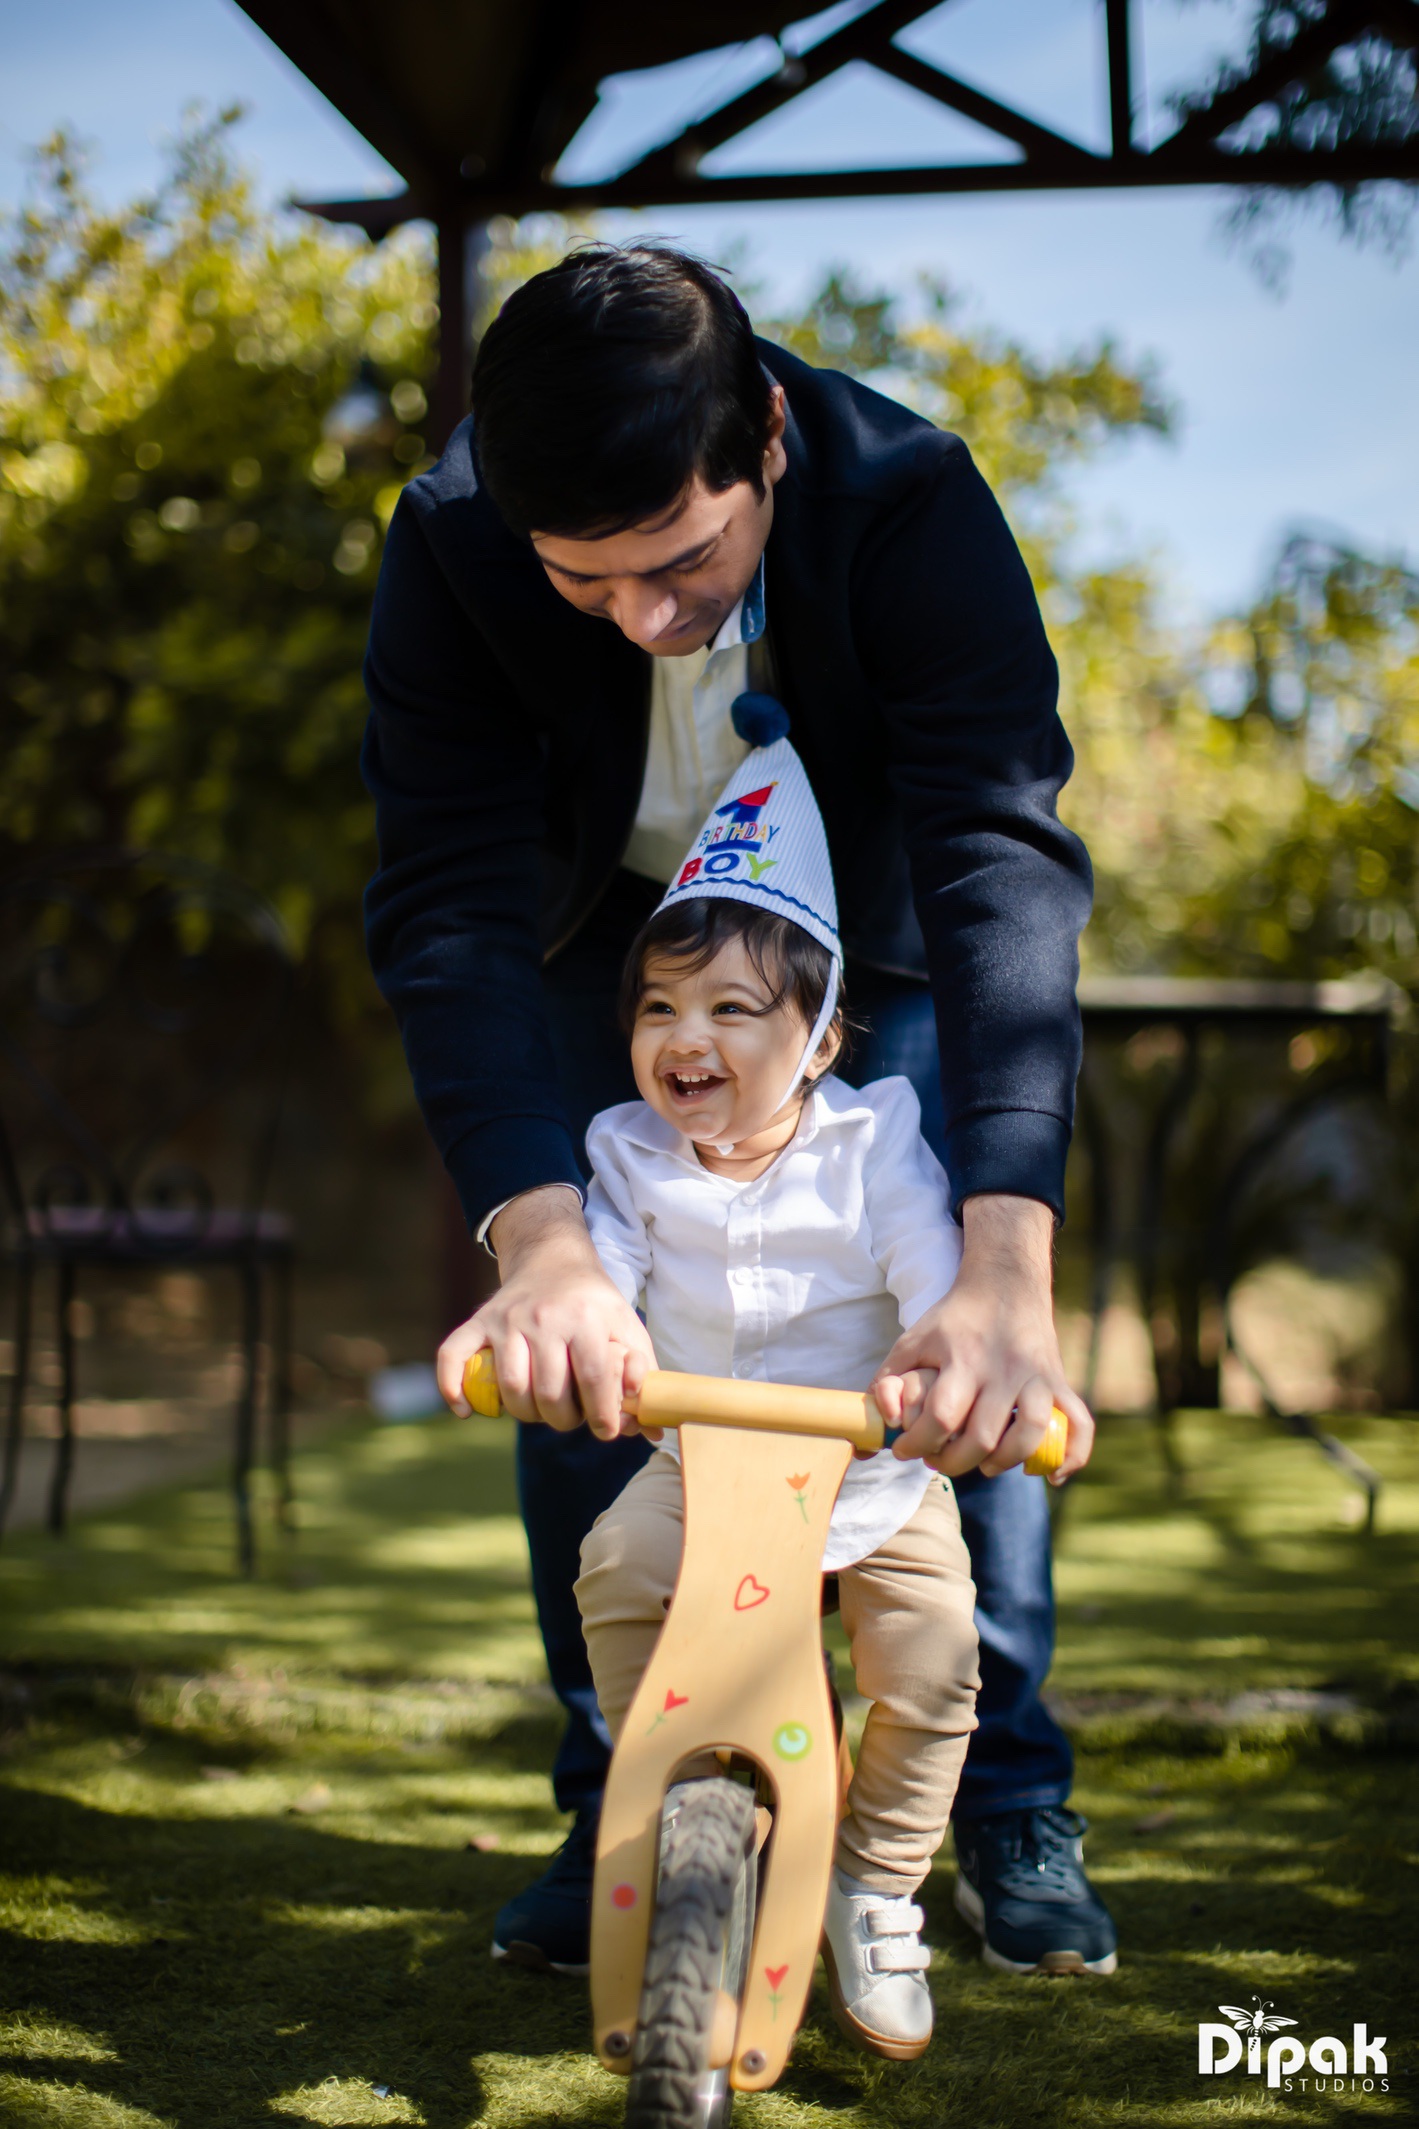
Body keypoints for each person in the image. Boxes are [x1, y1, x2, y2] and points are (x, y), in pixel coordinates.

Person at [362, 242, 1117, 1981]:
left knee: (953, 1349)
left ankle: (999, 1794)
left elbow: (1000, 852)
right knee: (586, 1348)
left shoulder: (912, 498)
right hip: (595, 941)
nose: (647, 616)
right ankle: (621, 1776)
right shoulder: (449, 543)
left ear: (766, 433)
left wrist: (1009, 1257)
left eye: (685, 560)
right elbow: (449, 897)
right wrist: (538, 1240)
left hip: (887, 944)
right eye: (589, 582)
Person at [576, 704, 1089, 2057]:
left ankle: (878, 1878)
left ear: (819, 1036)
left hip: (870, 1473)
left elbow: (938, 1280)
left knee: (932, 1659)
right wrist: (580, 1336)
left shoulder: (875, 1143)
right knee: (617, 1561)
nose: (687, 1036)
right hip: (703, 1463)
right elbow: (600, 1272)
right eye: (660, 1006)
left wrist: (968, 1374)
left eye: (735, 1008)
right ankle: (661, 1774)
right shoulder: (625, 1152)